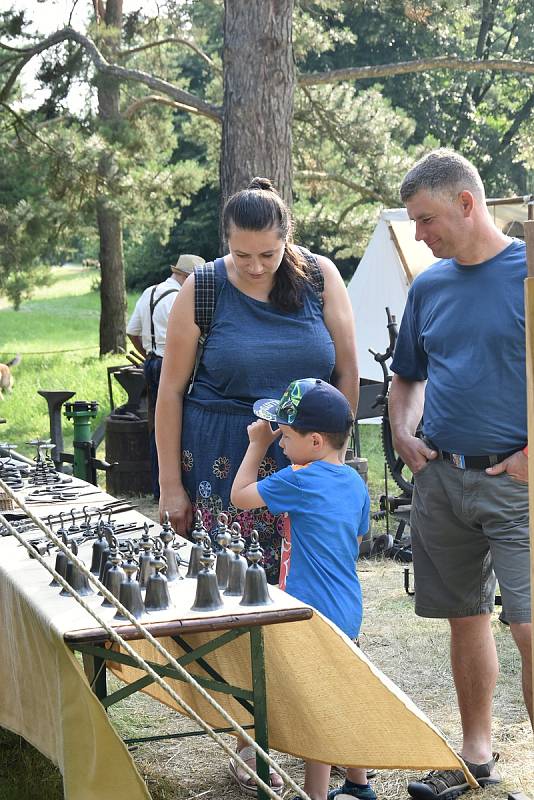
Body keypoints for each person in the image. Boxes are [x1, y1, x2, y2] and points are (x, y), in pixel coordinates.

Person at [388, 149, 531, 800]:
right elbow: (408, 375)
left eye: (425, 220)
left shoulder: (528, 273)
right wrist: (402, 429)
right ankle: (475, 754)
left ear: (466, 205)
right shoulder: (429, 286)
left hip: (519, 482)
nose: (418, 234)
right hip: (443, 481)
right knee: (466, 619)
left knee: (529, 626)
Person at [155, 177, 358, 584]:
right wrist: (170, 485)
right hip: (221, 464)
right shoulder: (204, 287)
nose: (256, 266)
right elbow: (170, 392)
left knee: (307, 585)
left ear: (288, 238)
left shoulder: (321, 278)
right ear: (225, 240)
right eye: (241, 254)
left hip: (307, 460)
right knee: (229, 592)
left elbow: (346, 374)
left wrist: (336, 454)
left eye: (269, 253)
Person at [231, 377, 373, 800]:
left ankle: (314, 796)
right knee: (343, 691)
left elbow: (240, 496)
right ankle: (358, 784)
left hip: (311, 610)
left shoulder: (302, 481)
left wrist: (256, 446)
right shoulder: (353, 482)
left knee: (317, 709)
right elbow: (359, 538)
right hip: (347, 605)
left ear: (314, 441)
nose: (279, 443)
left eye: (285, 436)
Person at [127, 253, 205, 499]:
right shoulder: (181, 298)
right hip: (172, 365)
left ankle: (157, 486)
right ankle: (175, 486)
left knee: (156, 424)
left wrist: (148, 355)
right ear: (187, 277)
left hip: (151, 363)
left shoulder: (148, 293)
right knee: (176, 423)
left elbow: (132, 332)